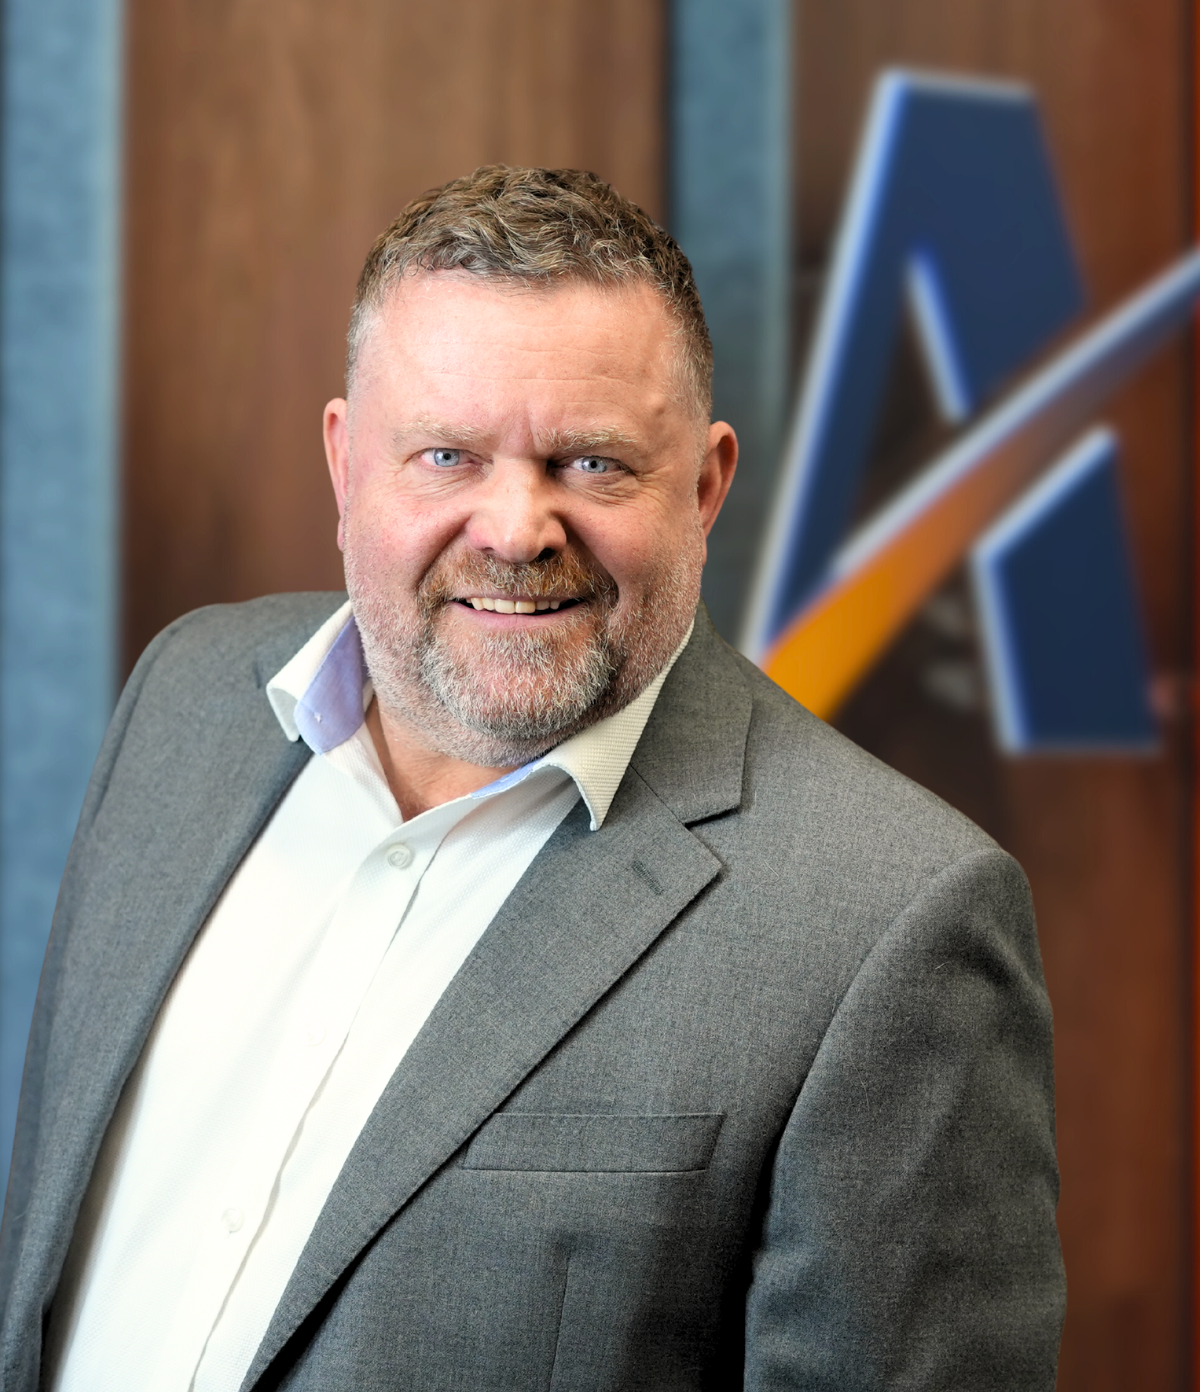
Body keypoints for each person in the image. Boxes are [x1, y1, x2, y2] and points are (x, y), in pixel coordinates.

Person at [0, 166, 1064, 1390]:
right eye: (446, 455)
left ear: (706, 487)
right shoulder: (186, 698)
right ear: (346, 466)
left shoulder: (889, 923)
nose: (515, 529)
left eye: (593, 464)